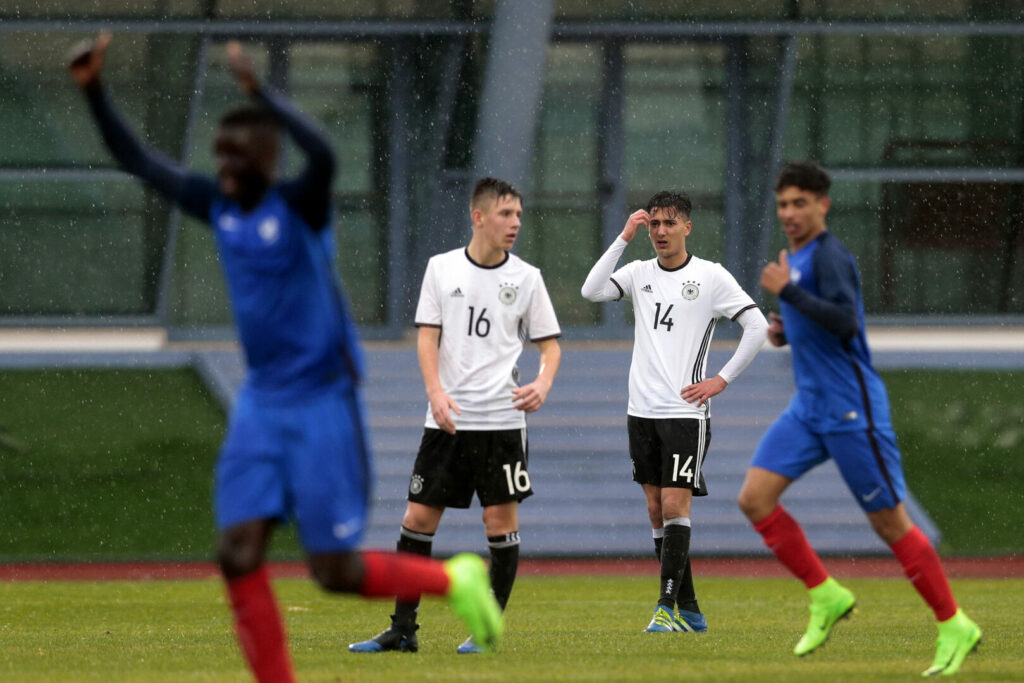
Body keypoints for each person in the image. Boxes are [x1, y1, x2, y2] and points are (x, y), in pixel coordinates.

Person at [68, 33, 501, 682]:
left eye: (237, 153)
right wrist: (94, 90)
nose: (224, 163)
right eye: (219, 152)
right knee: (237, 552)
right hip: (262, 402)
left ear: (268, 158)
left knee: (333, 571)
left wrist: (263, 94)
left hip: (323, 400)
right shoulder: (218, 206)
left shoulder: (299, 206)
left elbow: (323, 154)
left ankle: (454, 579)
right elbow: (137, 160)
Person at [738, 161, 982, 676]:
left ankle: (954, 624)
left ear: (822, 205)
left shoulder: (830, 256)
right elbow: (819, 321)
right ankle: (826, 595)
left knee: (890, 524)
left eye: (800, 203)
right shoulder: (796, 258)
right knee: (755, 499)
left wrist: (789, 294)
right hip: (809, 408)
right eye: (783, 204)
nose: (789, 213)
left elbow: (847, 322)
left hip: (851, 410)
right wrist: (787, 328)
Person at [349, 177, 562, 655]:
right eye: (506, 214)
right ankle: (403, 629)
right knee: (418, 518)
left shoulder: (527, 278)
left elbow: (550, 346)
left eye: (519, 215)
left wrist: (543, 382)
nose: (515, 223)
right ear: (478, 216)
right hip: (447, 420)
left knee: (498, 523)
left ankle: (486, 630)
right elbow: (428, 338)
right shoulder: (441, 269)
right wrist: (436, 394)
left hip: (502, 422)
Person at [581, 191, 768, 633]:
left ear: (687, 227)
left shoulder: (711, 276)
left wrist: (721, 379)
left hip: (685, 413)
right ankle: (692, 611)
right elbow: (591, 291)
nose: (661, 232)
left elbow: (757, 325)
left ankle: (665, 609)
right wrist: (623, 237)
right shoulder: (638, 273)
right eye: (654, 224)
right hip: (641, 411)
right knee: (654, 509)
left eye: (669, 223)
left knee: (673, 503)